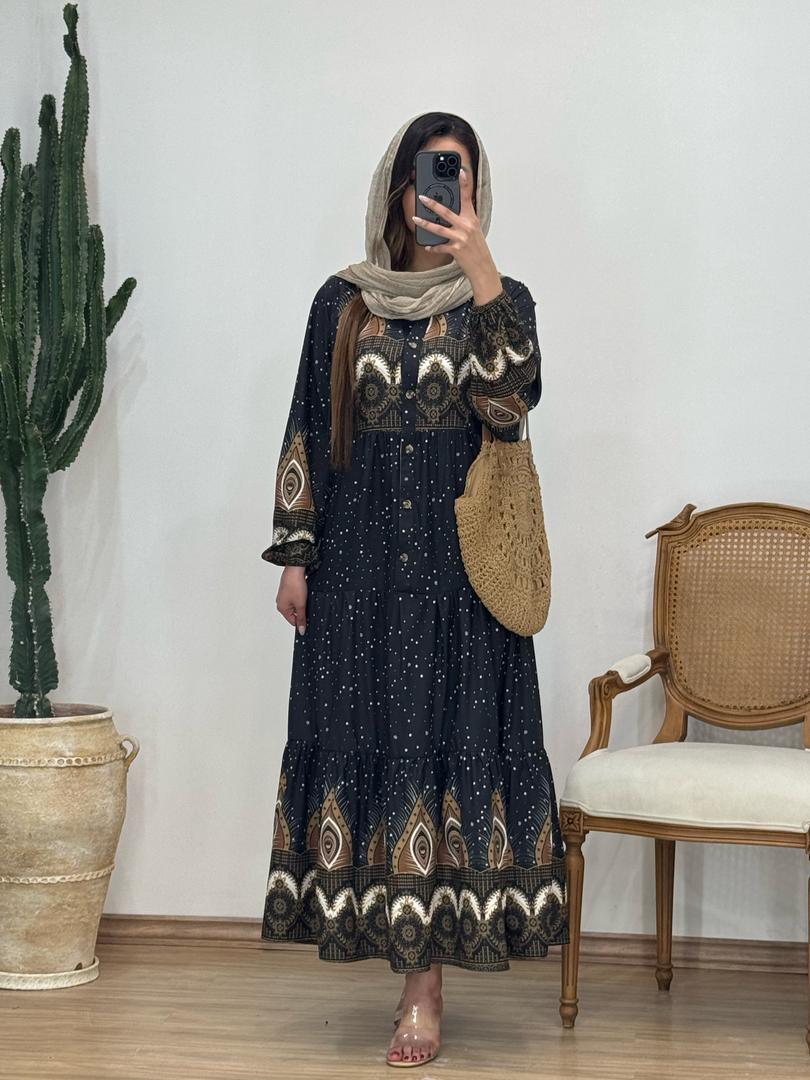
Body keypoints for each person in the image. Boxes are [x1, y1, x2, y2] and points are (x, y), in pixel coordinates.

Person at [260, 110, 568, 1068]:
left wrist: (481, 270)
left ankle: (424, 992)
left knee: (447, 757)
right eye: (431, 175)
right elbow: (309, 426)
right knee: (380, 757)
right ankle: (404, 966)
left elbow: (510, 408)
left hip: (461, 581)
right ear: (397, 189)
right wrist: (296, 554)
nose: (443, 194)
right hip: (357, 577)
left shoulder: (498, 299)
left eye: (460, 177)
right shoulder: (340, 303)